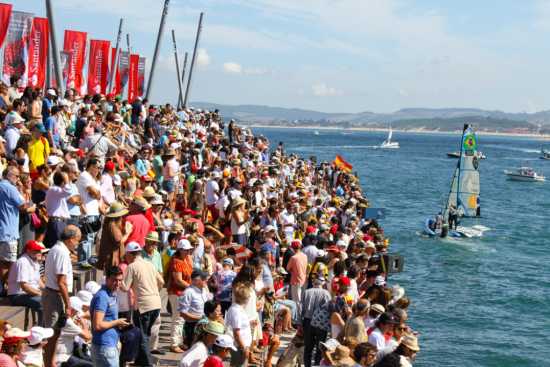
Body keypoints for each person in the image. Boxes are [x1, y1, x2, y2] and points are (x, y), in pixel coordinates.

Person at [42, 225, 81, 367]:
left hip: (54, 294)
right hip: (55, 296)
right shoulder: (62, 252)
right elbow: (61, 282)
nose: (77, 244)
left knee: (55, 335)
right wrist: (68, 304)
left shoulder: (58, 249)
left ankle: (50, 363)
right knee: (52, 336)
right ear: (70, 239)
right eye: (77, 240)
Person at [122, 241, 164, 367]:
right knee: (145, 334)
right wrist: (154, 291)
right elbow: (161, 281)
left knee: (142, 336)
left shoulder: (132, 267)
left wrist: (117, 282)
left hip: (143, 305)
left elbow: (125, 287)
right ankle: (141, 361)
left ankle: (147, 364)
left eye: (126, 255)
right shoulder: (150, 264)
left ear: (130, 254)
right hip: (156, 303)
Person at [0, 166, 33, 293]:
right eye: (17, 176)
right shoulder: (10, 188)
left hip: (4, 230)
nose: (18, 179)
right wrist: (23, 191)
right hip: (8, 232)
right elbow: (24, 205)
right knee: (7, 263)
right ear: (9, 175)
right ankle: (3, 288)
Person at [90, 266, 130, 367]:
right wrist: (117, 322)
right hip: (104, 347)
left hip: (110, 345)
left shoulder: (112, 293)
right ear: (107, 279)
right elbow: (97, 325)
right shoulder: (102, 297)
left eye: (120, 280)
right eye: (114, 280)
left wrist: (118, 324)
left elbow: (107, 319)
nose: (117, 283)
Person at [7, 240, 47, 325]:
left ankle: (45, 328)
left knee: (51, 298)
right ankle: (41, 330)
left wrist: (46, 291)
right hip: (17, 295)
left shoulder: (34, 261)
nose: (39, 252)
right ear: (28, 251)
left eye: (40, 250)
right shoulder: (23, 262)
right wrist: (40, 293)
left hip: (28, 293)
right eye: (36, 250)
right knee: (43, 301)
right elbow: (24, 286)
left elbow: (38, 281)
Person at [167, 238, 193, 353]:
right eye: (186, 250)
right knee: (177, 319)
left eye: (189, 250)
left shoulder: (186, 259)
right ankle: (174, 343)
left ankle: (179, 341)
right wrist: (191, 287)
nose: (188, 252)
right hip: (177, 293)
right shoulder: (176, 261)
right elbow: (178, 280)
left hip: (183, 293)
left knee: (181, 319)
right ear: (180, 250)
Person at [76, 159, 102, 266]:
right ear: (90, 166)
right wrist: (96, 194)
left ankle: (87, 260)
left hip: (94, 212)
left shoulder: (93, 179)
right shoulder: (84, 175)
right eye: (97, 167)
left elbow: (98, 194)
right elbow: (94, 192)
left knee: (91, 238)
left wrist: (96, 194)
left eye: (100, 168)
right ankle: (83, 261)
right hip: (87, 212)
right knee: (86, 238)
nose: (98, 170)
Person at [302, 276, 331, 367]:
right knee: (320, 348)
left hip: (307, 321)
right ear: (322, 283)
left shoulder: (307, 292)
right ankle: (317, 365)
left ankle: (307, 365)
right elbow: (329, 308)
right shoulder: (326, 293)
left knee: (308, 347)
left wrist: (300, 322)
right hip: (321, 323)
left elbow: (301, 308)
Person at [179, 269, 211, 348]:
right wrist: (199, 318)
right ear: (196, 280)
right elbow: (183, 313)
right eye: (203, 279)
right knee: (192, 350)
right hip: (192, 327)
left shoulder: (204, 290)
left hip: (205, 325)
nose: (206, 280)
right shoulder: (188, 292)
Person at [224, 283, 253, 367]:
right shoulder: (236, 311)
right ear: (245, 299)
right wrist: (244, 348)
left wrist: (250, 323)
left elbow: (238, 326)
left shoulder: (237, 309)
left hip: (240, 345)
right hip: (239, 346)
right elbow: (236, 333)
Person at [286, 239, 308, 316]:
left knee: (296, 301)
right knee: (302, 300)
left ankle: (298, 318)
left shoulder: (293, 258)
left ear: (293, 248)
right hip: (304, 280)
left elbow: (287, 268)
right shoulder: (305, 256)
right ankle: (302, 316)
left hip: (296, 281)